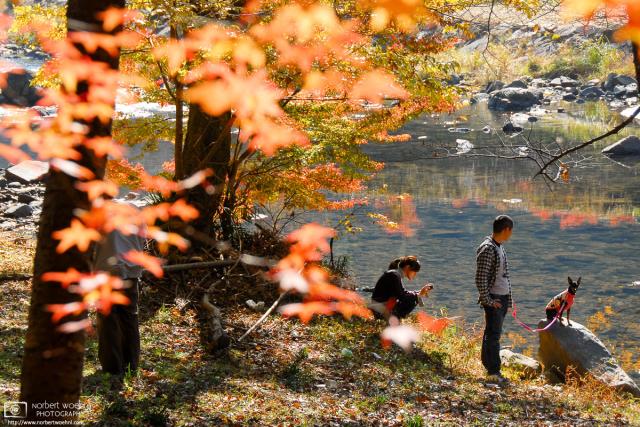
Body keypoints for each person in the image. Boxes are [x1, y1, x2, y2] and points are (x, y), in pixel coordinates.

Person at [93, 227, 146, 377]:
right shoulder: (137, 209)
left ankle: (112, 367)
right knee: (129, 317)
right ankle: (131, 365)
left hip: (106, 270)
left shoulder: (101, 211)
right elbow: (142, 240)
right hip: (130, 270)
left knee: (107, 319)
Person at [475, 215, 514, 384]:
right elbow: (480, 278)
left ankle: (489, 366)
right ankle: (493, 371)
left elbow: (504, 275)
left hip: (502, 298)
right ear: (506, 229)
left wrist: (509, 299)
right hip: (494, 299)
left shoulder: (499, 247)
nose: (511, 234)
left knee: (491, 333)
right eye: (511, 231)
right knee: (493, 335)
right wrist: (489, 301)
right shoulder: (488, 248)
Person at [370, 255, 433, 320]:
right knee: (412, 300)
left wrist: (419, 292)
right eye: (414, 272)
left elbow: (402, 293)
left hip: (381, 306)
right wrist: (418, 295)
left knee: (413, 297)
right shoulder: (394, 275)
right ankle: (393, 320)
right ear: (408, 267)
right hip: (380, 308)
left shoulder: (395, 274)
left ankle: (394, 319)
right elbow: (402, 296)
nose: (415, 275)